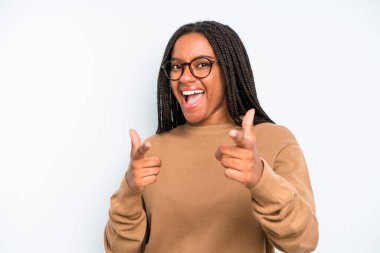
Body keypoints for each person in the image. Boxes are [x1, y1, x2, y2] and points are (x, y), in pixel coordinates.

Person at [104, 21, 318, 253]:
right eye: (177, 67)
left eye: (202, 64)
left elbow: (303, 241)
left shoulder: (274, 141)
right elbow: (118, 250)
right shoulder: (150, 150)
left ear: (229, 70)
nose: (185, 77)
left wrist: (261, 180)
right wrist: (129, 190)